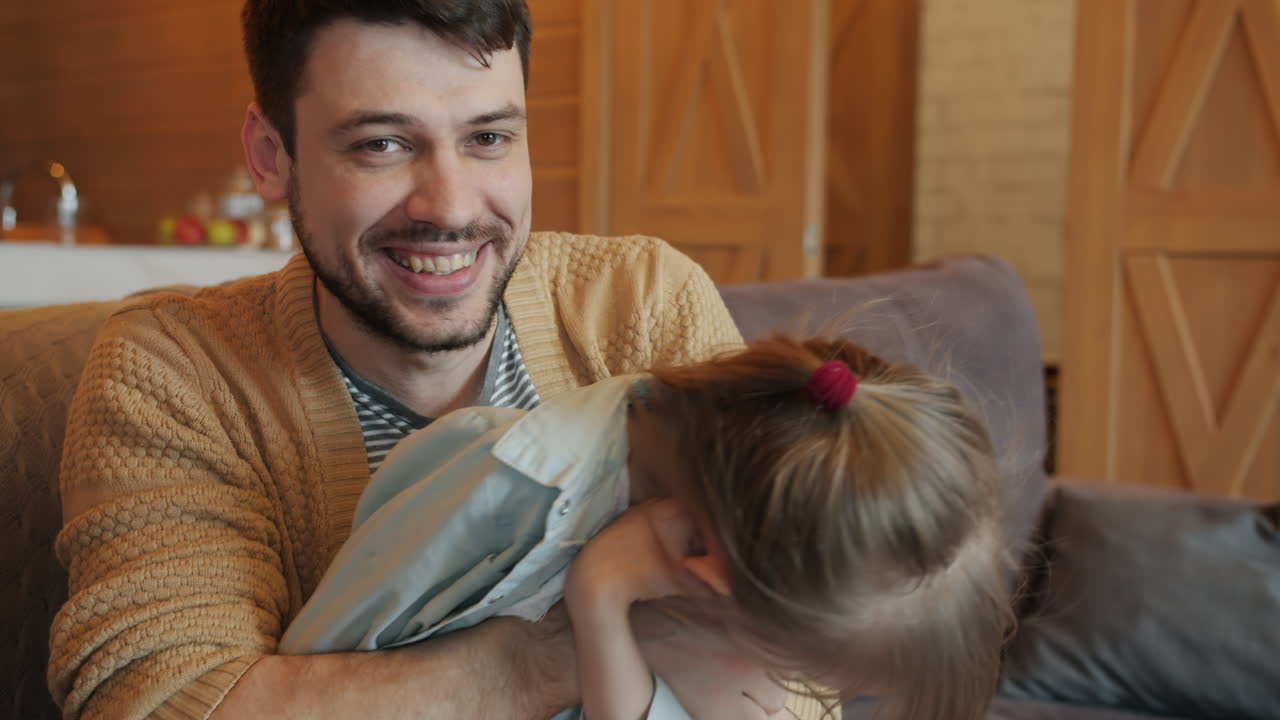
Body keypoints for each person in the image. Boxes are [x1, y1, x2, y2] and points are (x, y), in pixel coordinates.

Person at [46, 1, 795, 719]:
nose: (451, 207)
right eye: (382, 144)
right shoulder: (177, 371)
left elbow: (806, 648)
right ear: (271, 156)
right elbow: (161, 704)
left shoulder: (642, 304)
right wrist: (572, 650)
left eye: (489, 139)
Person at [278, 336, 1014, 720]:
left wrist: (604, 595)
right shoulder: (498, 487)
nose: (789, 691)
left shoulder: (750, 492)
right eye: (795, 667)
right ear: (713, 578)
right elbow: (320, 669)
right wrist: (599, 612)